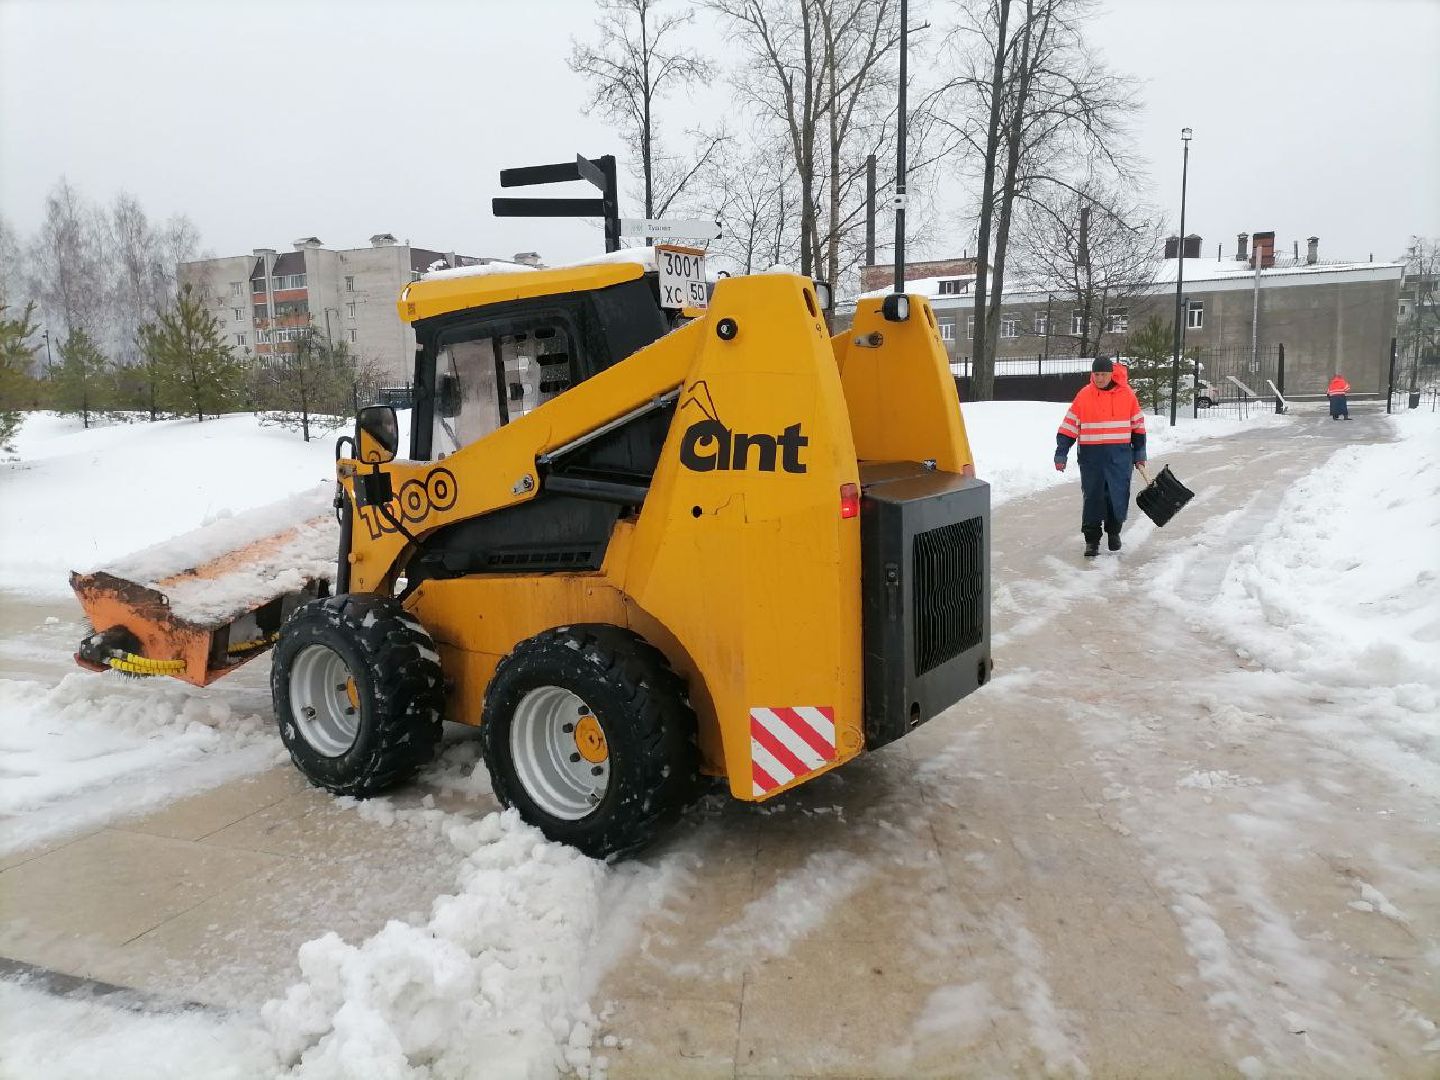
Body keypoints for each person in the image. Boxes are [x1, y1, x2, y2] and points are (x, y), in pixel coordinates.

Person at [1055, 358, 1147, 557]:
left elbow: (1138, 427)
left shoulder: (1127, 395)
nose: (1099, 378)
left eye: (1103, 374)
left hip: (1119, 457)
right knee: (1093, 497)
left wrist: (1139, 454)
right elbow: (1069, 426)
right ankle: (1092, 541)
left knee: (1117, 496)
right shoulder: (1084, 395)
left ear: (1111, 374)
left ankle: (1114, 533)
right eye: (1096, 374)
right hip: (1091, 458)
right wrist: (1061, 452)